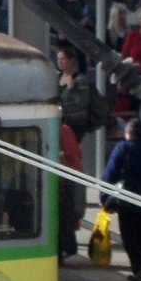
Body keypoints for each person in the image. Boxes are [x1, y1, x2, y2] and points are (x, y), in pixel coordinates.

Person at [101, 118, 141, 281]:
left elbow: (110, 173)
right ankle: (139, 270)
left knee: (130, 238)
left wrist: (104, 198)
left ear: (128, 133)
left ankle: (138, 271)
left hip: (128, 204)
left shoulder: (123, 148)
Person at [57, 42, 95, 141]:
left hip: (74, 124)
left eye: (63, 59)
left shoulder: (80, 79)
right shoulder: (56, 78)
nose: (60, 62)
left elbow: (82, 102)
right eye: (58, 59)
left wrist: (70, 89)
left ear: (71, 60)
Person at [58, 123, 83, 262]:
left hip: (63, 181)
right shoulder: (66, 130)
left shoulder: (61, 131)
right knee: (66, 217)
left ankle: (64, 248)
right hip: (69, 178)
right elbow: (75, 154)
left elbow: (69, 155)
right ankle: (67, 248)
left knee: (62, 217)